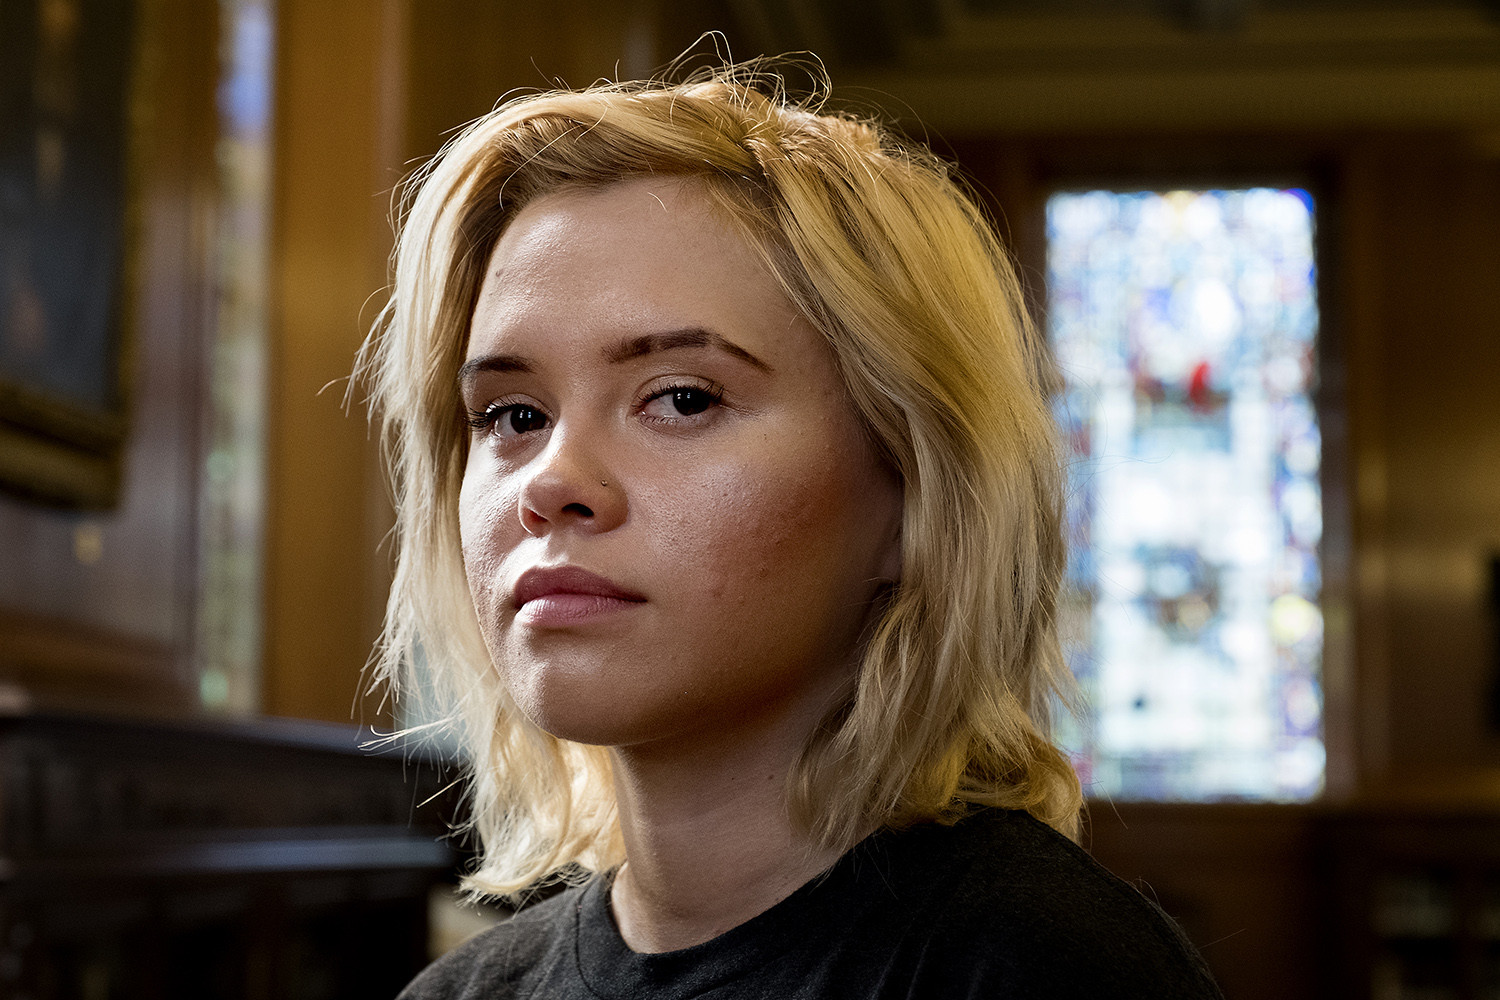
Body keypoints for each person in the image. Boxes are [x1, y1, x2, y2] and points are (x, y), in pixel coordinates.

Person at [361, 62, 1224, 999]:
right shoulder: (458, 995)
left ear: (911, 496)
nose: (551, 481)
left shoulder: (1039, 968)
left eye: (682, 399)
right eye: (511, 416)